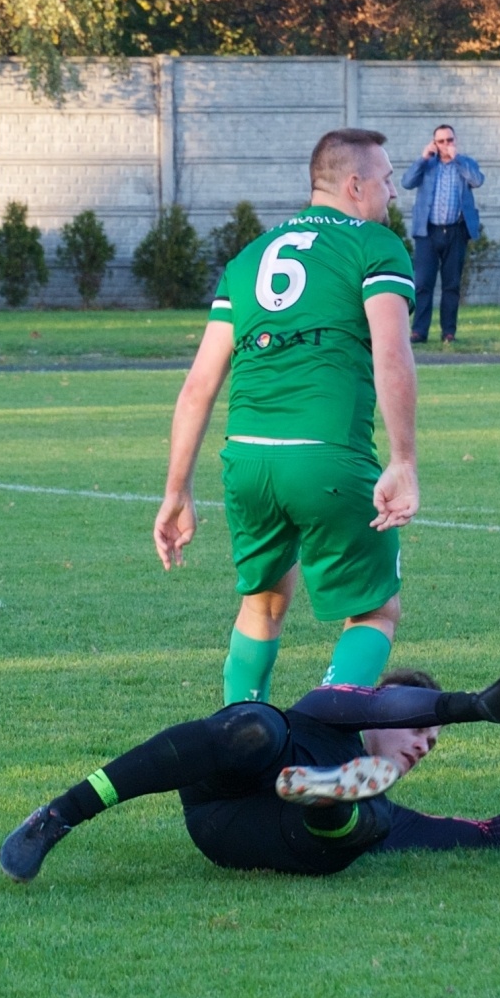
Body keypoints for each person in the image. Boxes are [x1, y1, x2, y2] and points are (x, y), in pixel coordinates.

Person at [153, 129, 419, 705]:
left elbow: (199, 384)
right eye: (387, 179)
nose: (393, 193)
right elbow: (392, 354)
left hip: (247, 460)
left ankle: (235, 747)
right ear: (355, 185)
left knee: (264, 603)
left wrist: (177, 491)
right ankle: (325, 731)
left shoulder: (248, 258)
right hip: (326, 456)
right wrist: (402, 460)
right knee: (375, 609)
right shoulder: (375, 245)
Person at [0, 670, 500, 880]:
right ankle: (60, 814)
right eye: (420, 732)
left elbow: (492, 836)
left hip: (262, 836)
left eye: (434, 740)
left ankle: (330, 802)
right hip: (221, 791)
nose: (427, 744)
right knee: (257, 728)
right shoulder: (331, 709)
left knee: (371, 823)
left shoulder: (386, 801)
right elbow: (388, 705)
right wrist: (470, 706)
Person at [401, 124, 484, 344]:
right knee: (423, 283)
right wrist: (422, 158)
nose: (446, 145)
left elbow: (477, 180)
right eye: (441, 141)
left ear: (455, 141)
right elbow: (407, 182)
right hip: (427, 232)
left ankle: (449, 332)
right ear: (434, 143)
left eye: (450, 140)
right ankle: (419, 331)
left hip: (456, 231)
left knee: (451, 284)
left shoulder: (465, 163)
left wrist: (458, 160)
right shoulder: (427, 165)